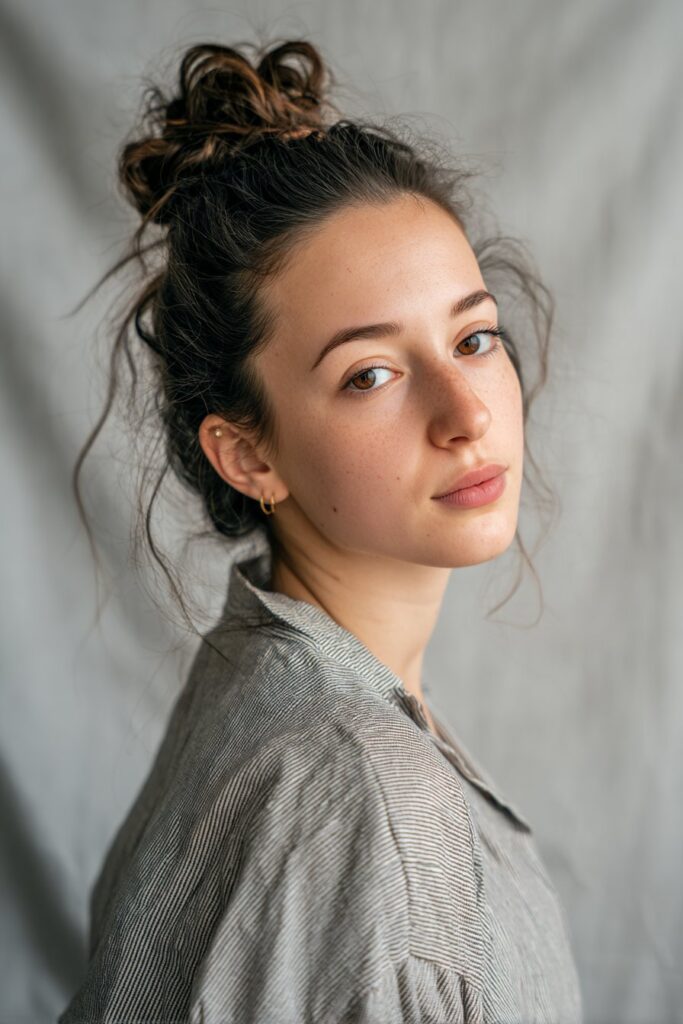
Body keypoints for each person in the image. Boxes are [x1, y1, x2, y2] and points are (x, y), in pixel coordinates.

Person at [60, 37, 583, 1023]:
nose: (464, 411)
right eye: (369, 374)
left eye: (472, 337)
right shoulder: (356, 795)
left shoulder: (271, 700)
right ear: (247, 454)